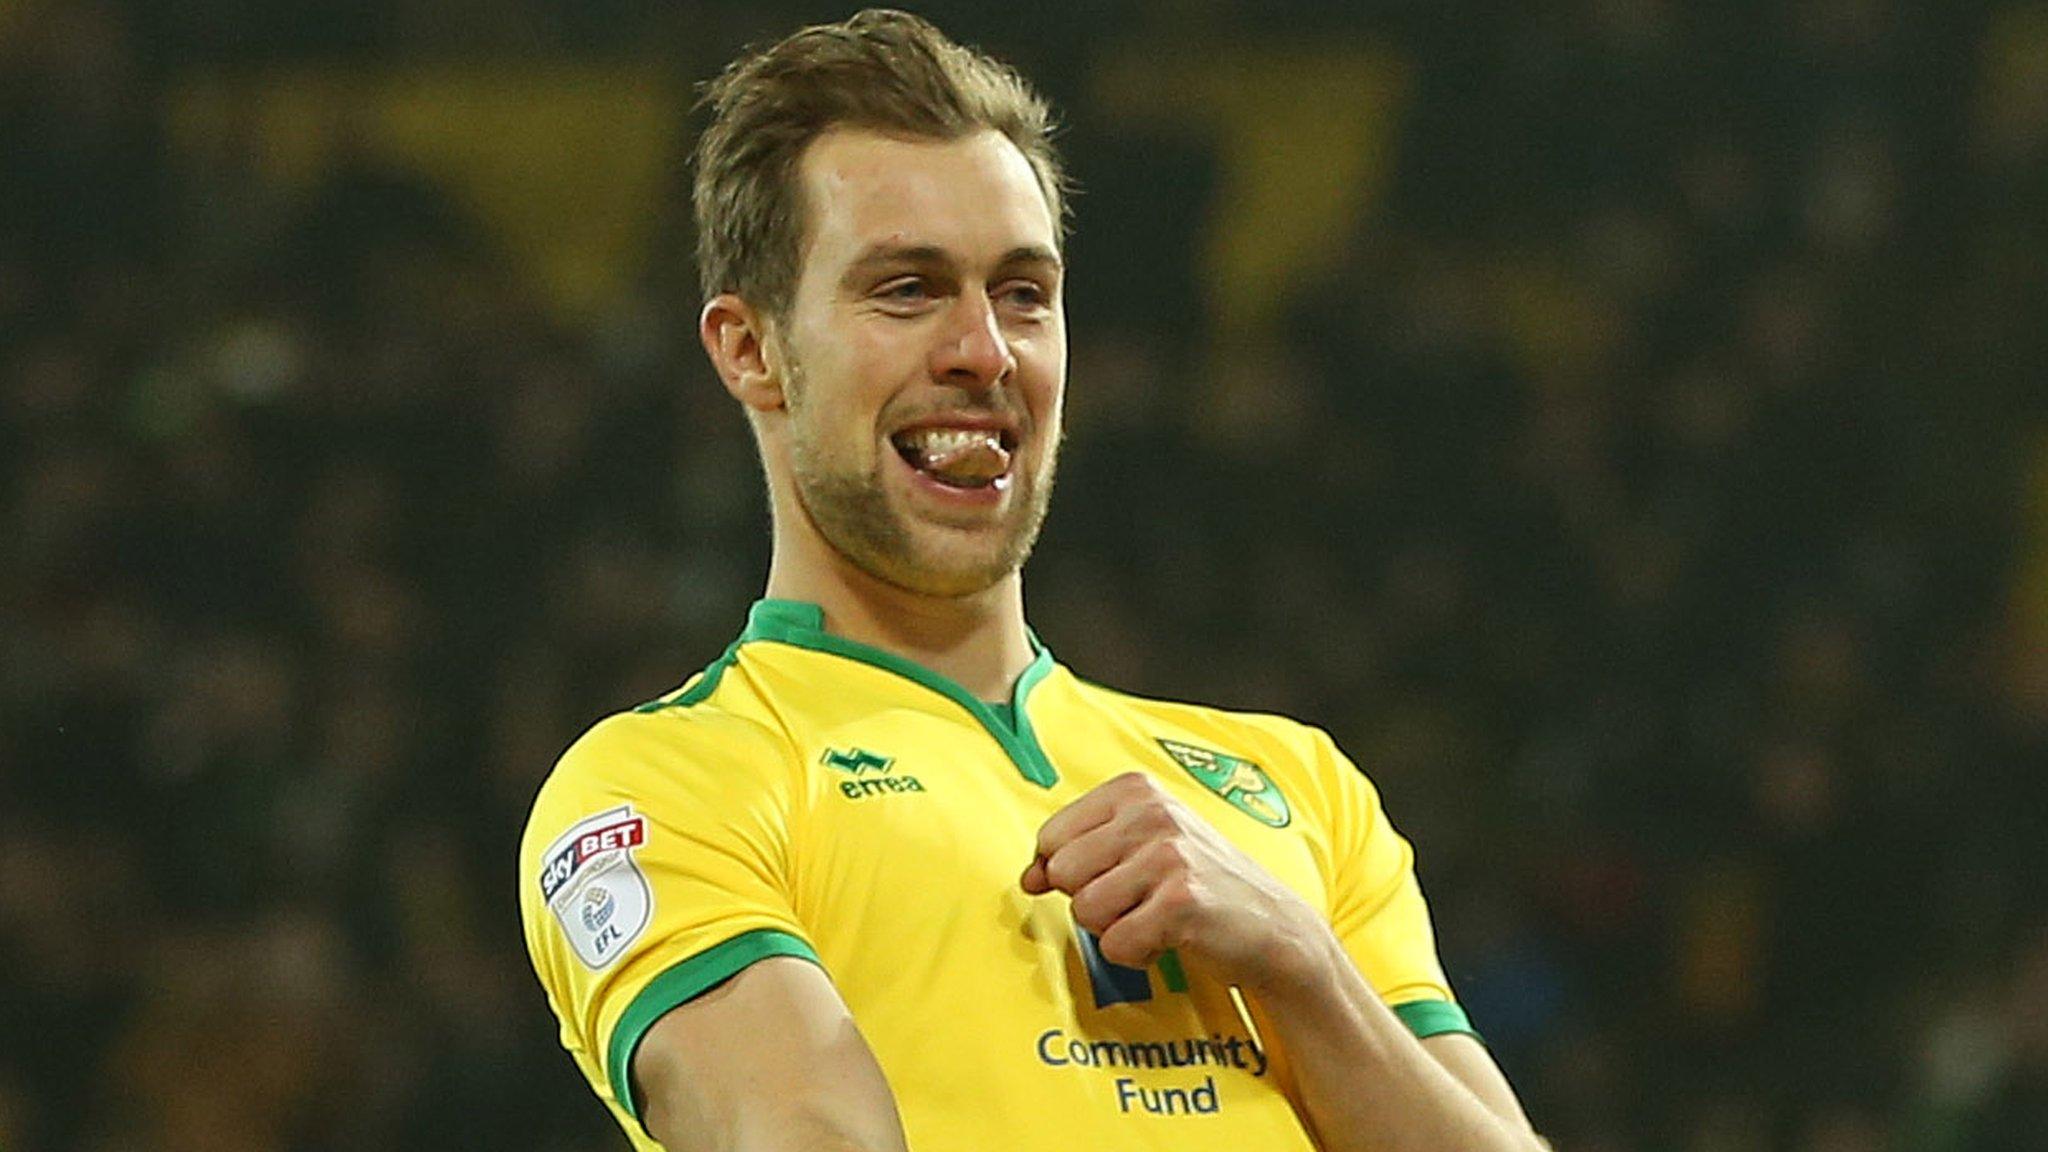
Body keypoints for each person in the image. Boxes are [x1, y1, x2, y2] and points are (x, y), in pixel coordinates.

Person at [518, 10, 1546, 1151]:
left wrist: (1300, 965)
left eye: (1021, 294)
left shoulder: (1293, 788)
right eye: (907, 290)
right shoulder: (672, 784)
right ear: (750, 350)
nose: (984, 350)